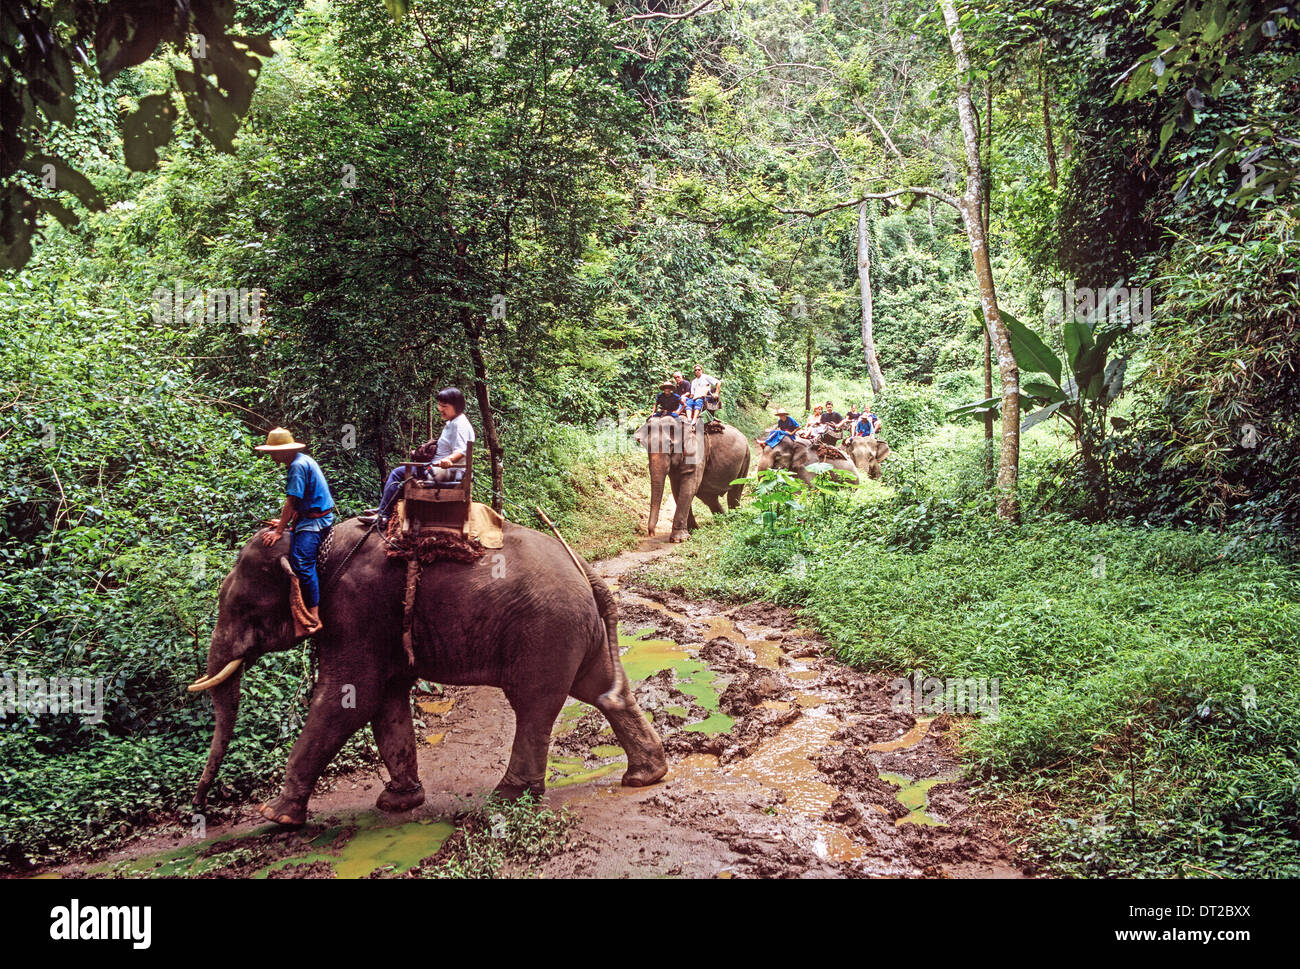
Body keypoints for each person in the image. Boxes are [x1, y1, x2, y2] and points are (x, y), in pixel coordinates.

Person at [256, 427, 335, 638]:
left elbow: (291, 501)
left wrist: (279, 531)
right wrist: (285, 521)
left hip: (315, 521)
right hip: (308, 514)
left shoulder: (297, 467)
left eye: (273, 452)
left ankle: (314, 616)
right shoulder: (301, 459)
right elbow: (299, 500)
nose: (271, 456)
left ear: (283, 452)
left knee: (302, 563)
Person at [375, 387, 476, 524]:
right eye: (439, 405)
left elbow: (461, 450)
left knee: (398, 474)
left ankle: (383, 515)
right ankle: (385, 507)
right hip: (441, 470)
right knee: (410, 471)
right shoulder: (455, 422)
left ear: (457, 407)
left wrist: (448, 459)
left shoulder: (459, 425)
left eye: (444, 406)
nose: (440, 409)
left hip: (442, 473)